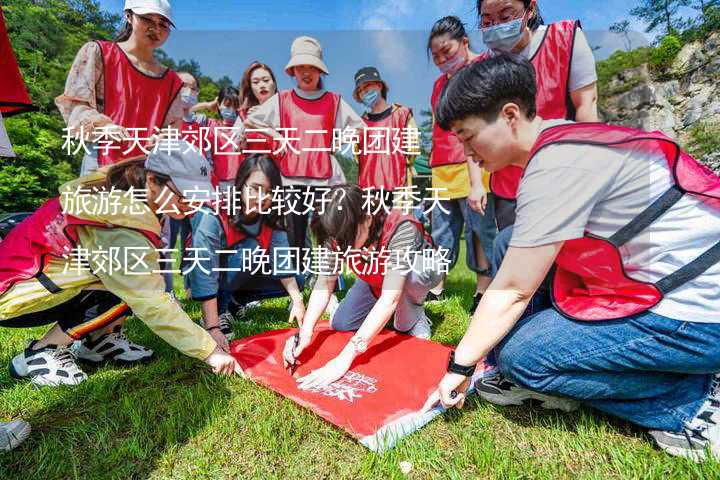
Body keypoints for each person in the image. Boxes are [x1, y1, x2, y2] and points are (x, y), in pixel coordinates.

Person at [426, 54, 720, 461]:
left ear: (509, 115)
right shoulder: (564, 137)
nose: (466, 152)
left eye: (468, 136)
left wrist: (461, 365)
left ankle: (692, 401)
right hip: (666, 281)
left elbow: (511, 290)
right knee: (508, 240)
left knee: (523, 359)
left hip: (699, 315)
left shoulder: (555, 168)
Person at [0, 143, 243, 388]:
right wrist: (210, 351)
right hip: (16, 294)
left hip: (33, 280)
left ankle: (100, 341)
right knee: (136, 286)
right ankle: (41, 352)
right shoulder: (119, 220)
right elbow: (150, 301)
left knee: (136, 278)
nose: (191, 204)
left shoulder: (129, 193)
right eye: (183, 195)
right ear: (151, 180)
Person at [475, 0, 599, 286]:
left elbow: (587, 107)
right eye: (487, 20)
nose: (497, 27)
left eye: (506, 16)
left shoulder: (564, 39)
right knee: (519, 268)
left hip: (562, 178)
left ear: (530, 9)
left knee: (566, 269)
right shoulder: (483, 67)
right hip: (509, 187)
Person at [282, 184, 444, 389]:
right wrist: (305, 332)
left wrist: (345, 357)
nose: (341, 248)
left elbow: (389, 298)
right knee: (342, 323)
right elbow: (325, 280)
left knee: (403, 320)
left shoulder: (401, 227)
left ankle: (415, 311)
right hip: (375, 278)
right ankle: (378, 305)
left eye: (347, 241)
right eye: (337, 242)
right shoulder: (336, 231)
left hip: (413, 273)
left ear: (367, 219)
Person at [243, 36, 366, 253]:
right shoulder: (283, 99)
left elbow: (360, 128)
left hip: (324, 178)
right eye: (301, 67)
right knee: (294, 234)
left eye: (312, 67)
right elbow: (252, 121)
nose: (306, 72)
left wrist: (339, 140)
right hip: (291, 178)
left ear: (320, 71)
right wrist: (276, 135)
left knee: (328, 229)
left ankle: (328, 278)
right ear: (293, 71)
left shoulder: (333, 101)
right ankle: (300, 279)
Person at [185, 155, 305, 349]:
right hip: (207, 271)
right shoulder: (214, 212)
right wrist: (213, 327)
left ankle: (234, 302)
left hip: (240, 268)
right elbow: (204, 269)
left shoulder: (272, 215)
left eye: (269, 192)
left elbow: (282, 261)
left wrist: (298, 302)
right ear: (241, 184)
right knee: (251, 250)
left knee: (298, 279)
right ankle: (218, 311)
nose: (262, 198)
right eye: (256, 189)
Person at [56, 0, 184, 175]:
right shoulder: (99, 53)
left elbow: (173, 128)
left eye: (163, 24)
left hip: (146, 171)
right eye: (147, 19)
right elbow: (76, 104)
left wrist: (164, 139)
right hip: (101, 163)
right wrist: (104, 127)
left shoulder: (172, 81)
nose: (156, 29)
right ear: (129, 16)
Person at [427, 16, 497, 313]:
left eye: (447, 51)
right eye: (437, 56)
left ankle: (482, 291)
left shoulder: (485, 67)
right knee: (441, 232)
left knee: (479, 230)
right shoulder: (439, 84)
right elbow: (436, 125)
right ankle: (435, 287)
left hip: (477, 164)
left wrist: (478, 179)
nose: (443, 59)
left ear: (465, 42)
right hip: (442, 168)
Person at [351, 66, 419, 194]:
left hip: (398, 189)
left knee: (399, 215)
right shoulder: (359, 125)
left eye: (367, 86)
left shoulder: (402, 115)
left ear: (379, 86)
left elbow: (412, 150)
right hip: (368, 192)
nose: (364, 92)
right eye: (360, 90)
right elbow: (357, 158)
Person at [191, 86, 242, 188]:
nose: (231, 110)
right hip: (216, 183)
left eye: (235, 106)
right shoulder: (209, 124)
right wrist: (207, 105)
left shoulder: (244, 126)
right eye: (227, 105)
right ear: (219, 104)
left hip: (240, 183)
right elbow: (185, 113)